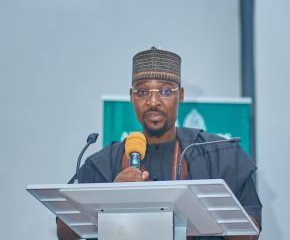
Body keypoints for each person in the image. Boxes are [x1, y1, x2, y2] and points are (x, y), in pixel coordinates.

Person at [57, 47, 262, 240]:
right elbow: (64, 231)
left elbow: (251, 231)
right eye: (142, 92)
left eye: (165, 91)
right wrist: (111, 197)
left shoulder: (217, 154)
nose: (153, 102)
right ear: (131, 97)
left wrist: (200, 211)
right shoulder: (103, 162)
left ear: (180, 95)